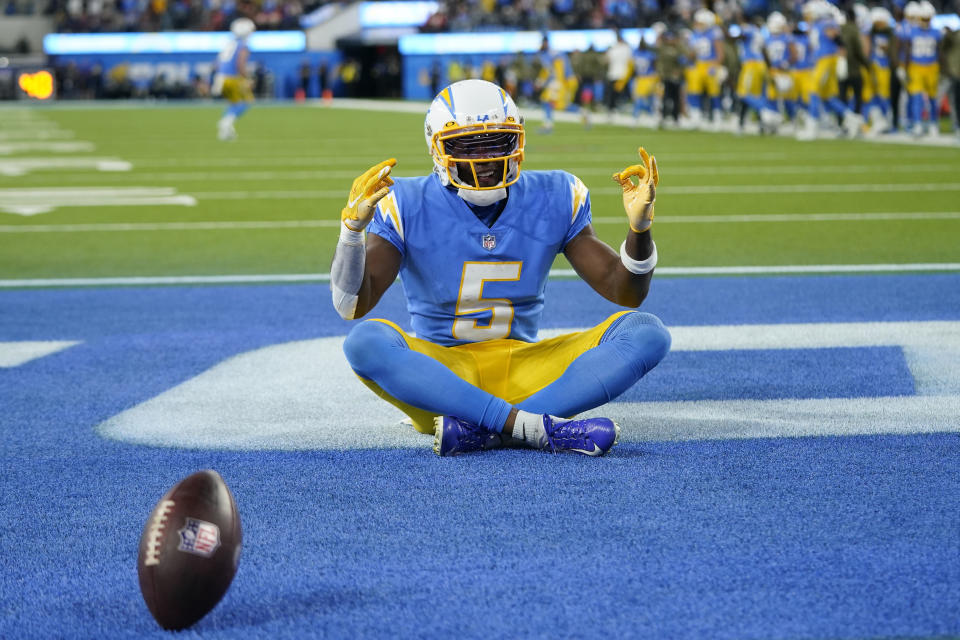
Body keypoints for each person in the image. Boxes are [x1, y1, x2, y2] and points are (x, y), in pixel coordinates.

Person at [330, 79, 671, 457]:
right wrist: (352, 233)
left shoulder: (555, 193)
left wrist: (639, 230)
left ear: (518, 142)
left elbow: (625, 291)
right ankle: (531, 426)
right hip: (443, 377)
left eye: (498, 142)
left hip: (526, 372)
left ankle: (492, 430)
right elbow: (351, 306)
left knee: (646, 333)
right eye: (467, 146)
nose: (485, 159)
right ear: (437, 149)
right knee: (365, 341)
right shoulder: (406, 202)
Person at [213, 17, 255, 141]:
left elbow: (217, 63)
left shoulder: (229, 43)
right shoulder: (242, 45)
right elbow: (240, 63)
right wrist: (247, 78)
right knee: (246, 101)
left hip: (221, 78)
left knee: (234, 103)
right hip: (232, 78)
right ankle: (226, 122)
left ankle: (226, 130)